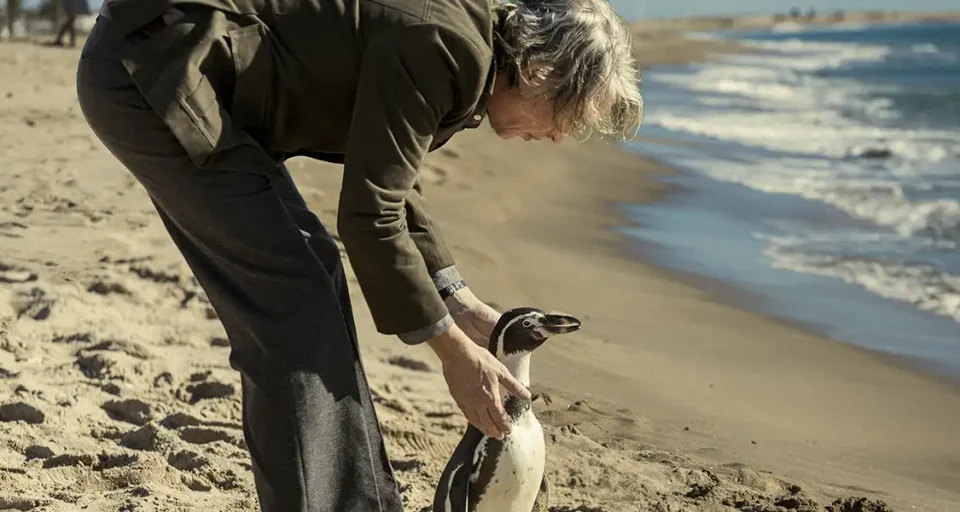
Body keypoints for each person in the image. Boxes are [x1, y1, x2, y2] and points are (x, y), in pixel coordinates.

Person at [75, 0, 642, 510]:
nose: (561, 137)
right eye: (568, 116)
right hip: (155, 73)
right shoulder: (449, 48)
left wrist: (459, 301)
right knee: (292, 299)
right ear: (541, 71)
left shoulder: (463, 40)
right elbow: (370, 215)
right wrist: (451, 351)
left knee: (311, 270)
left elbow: (389, 179)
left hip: (173, 66)